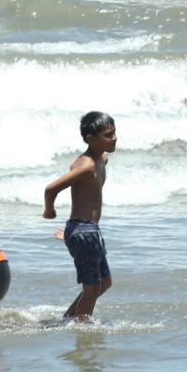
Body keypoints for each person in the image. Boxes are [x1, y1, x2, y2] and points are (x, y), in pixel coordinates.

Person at [42, 111, 118, 323]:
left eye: (114, 133)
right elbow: (51, 189)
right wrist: (50, 211)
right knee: (92, 286)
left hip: (88, 231)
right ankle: (83, 327)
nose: (114, 139)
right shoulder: (87, 166)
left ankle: (69, 318)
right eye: (108, 135)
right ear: (89, 138)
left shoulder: (101, 158)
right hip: (84, 231)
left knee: (104, 282)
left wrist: (70, 233)